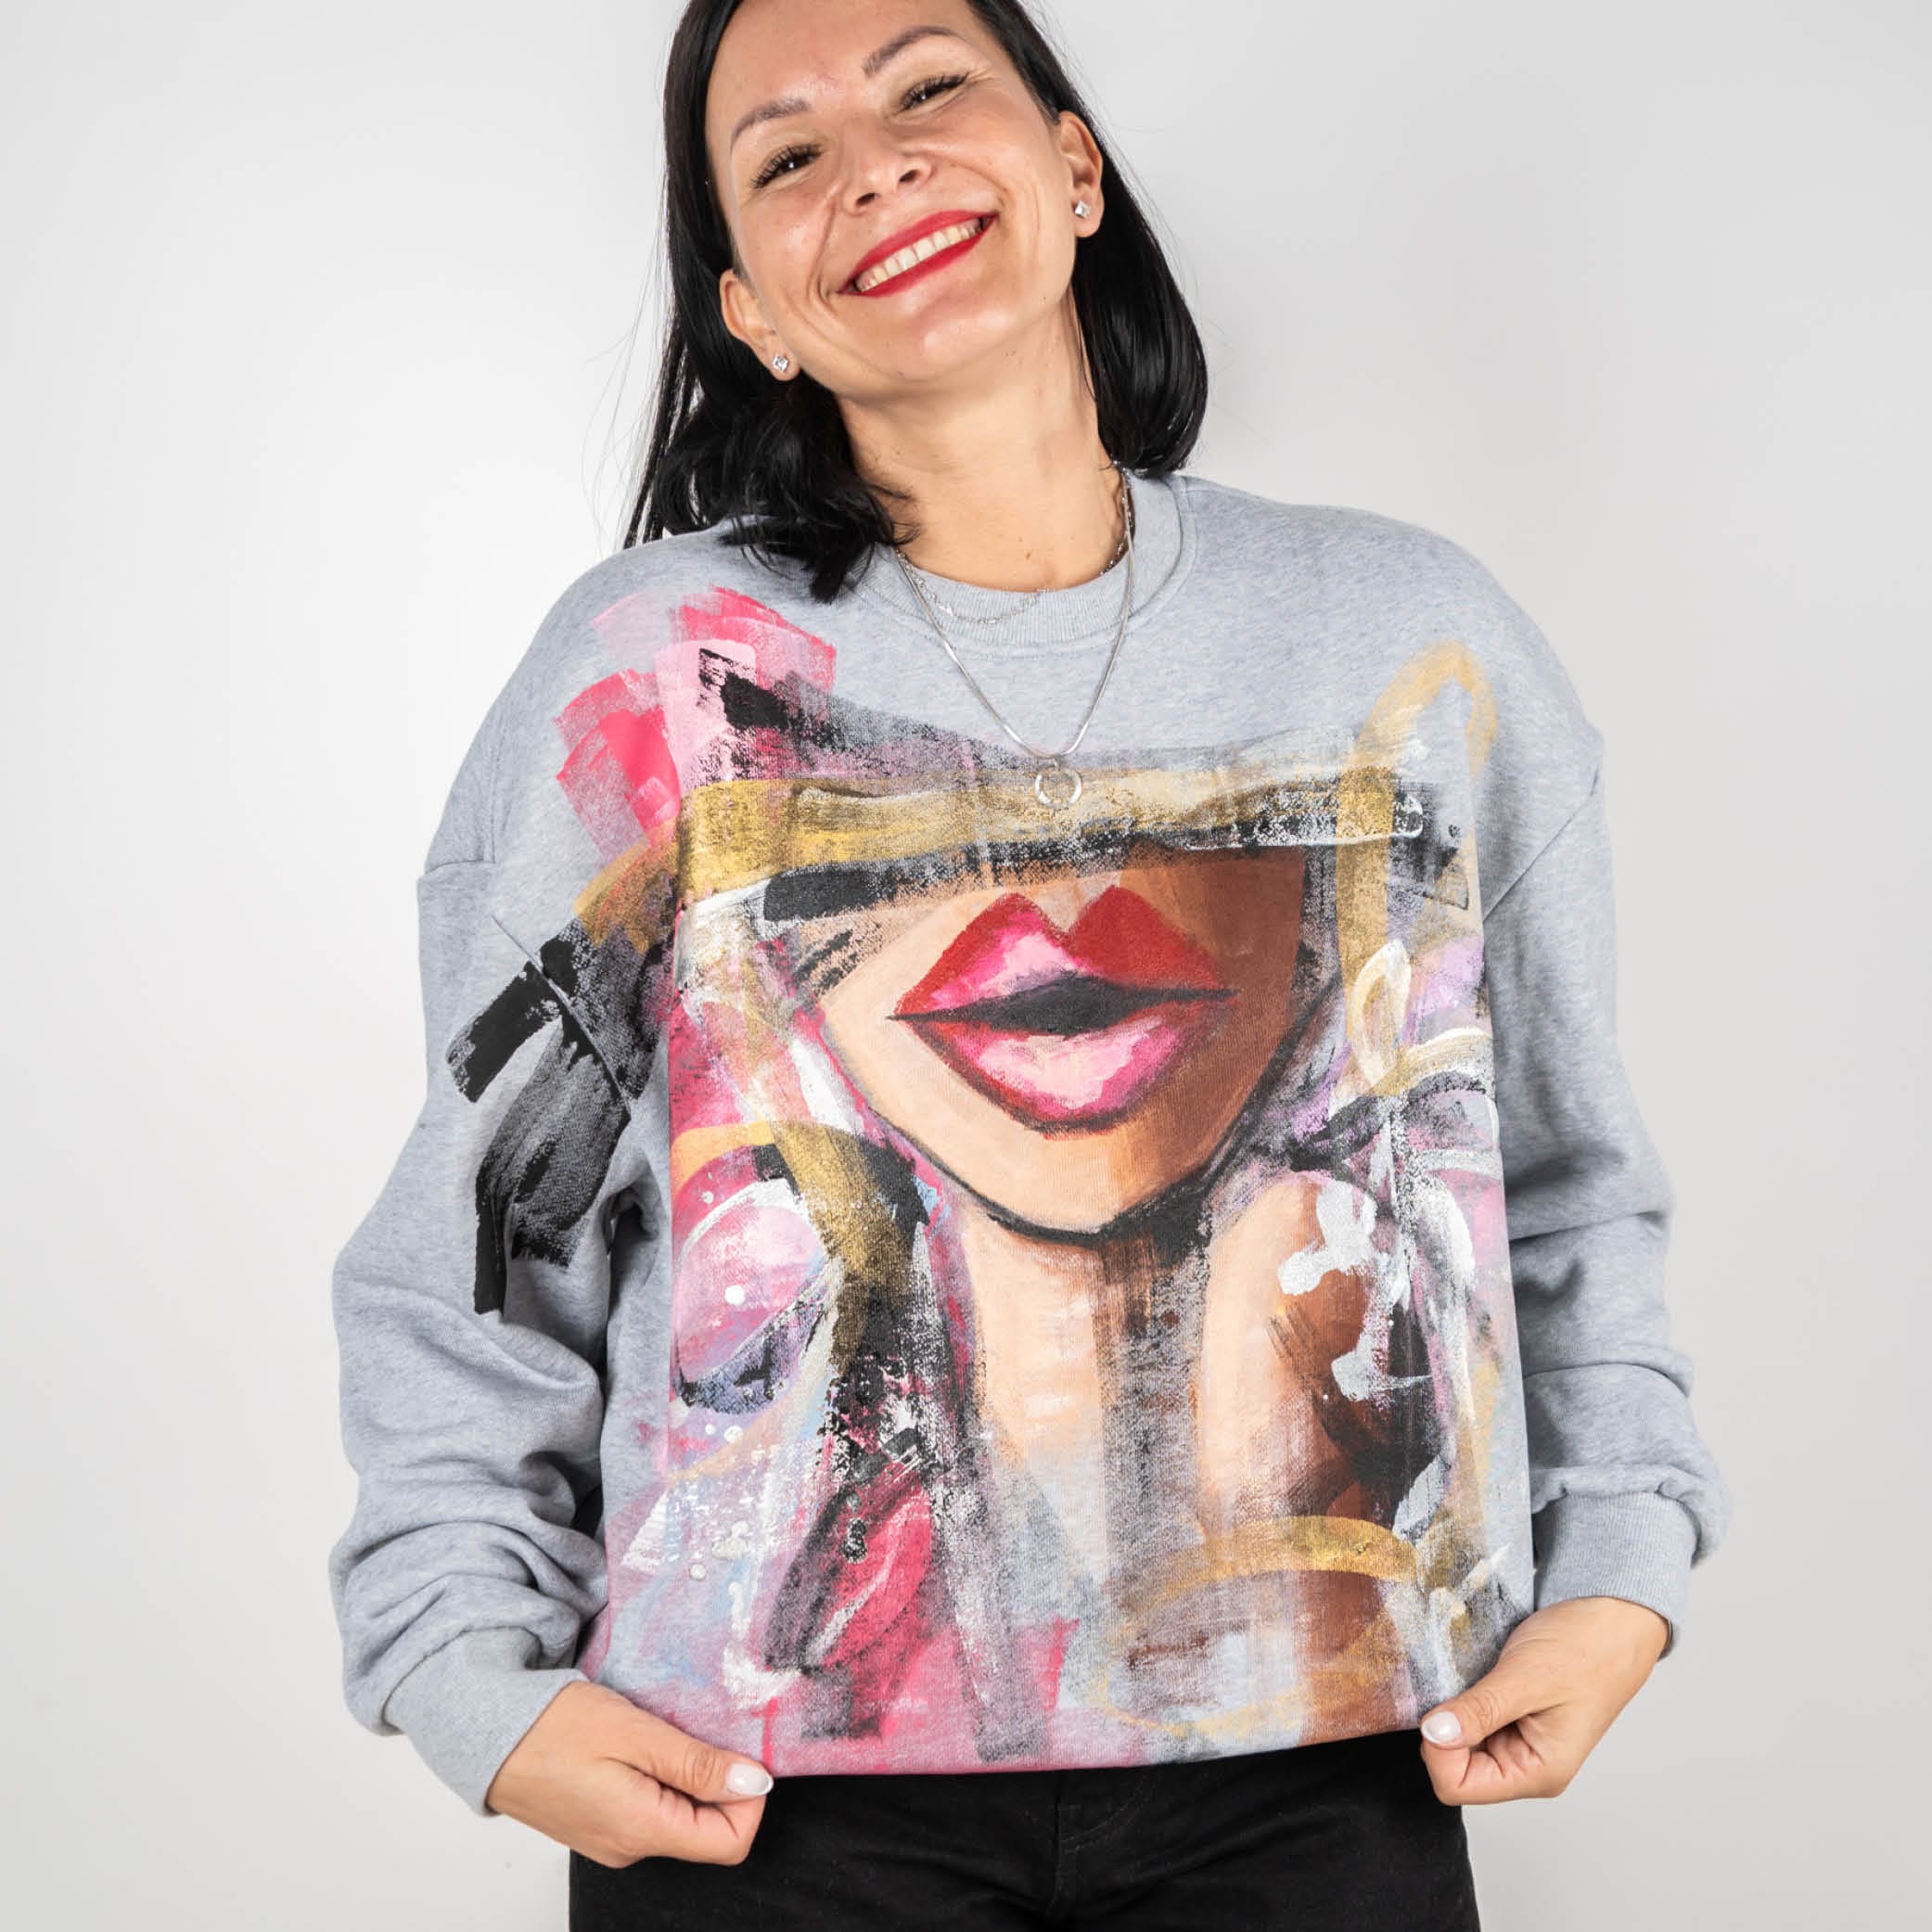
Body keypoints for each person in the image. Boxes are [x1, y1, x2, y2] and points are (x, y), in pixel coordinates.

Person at [326, 1, 1732, 1925]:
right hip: (753, 1816)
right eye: (788, 155)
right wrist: (458, 1666)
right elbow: (484, 1237)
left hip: (1331, 1776)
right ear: (751, 310)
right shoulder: (642, 673)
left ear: (1074, 170)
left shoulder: (1408, 635)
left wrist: (1623, 1560)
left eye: (929, 87)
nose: (877, 165)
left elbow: (1557, 1176)